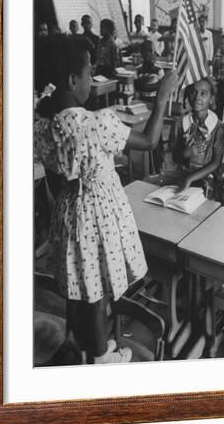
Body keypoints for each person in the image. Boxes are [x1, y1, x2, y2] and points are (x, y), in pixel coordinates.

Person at [34, 35, 178, 363]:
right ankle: (100, 358)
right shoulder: (97, 123)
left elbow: (57, 177)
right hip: (98, 215)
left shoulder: (43, 126)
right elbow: (150, 139)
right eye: (89, 72)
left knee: (78, 284)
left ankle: (79, 341)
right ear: (73, 80)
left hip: (68, 210)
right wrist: (162, 97)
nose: (92, 77)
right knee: (96, 289)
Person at [171, 77, 224, 198]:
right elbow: (175, 158)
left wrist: (190, 178)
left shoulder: (220, 128)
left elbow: (216, 164)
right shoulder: (179, 124)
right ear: (188, 96)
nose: (197, 97)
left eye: (203, 93)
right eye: (193, 92)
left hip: (208, 181)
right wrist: (185, 153)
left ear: (211, 99)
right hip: (182, 177)